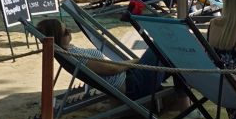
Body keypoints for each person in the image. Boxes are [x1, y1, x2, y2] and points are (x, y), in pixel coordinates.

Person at [36, 18, 165, 101]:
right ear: (57, 38)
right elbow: (112, 69)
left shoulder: (66, 51)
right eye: (65, 32)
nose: (70, 32)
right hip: (134, 86)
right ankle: (183, 99)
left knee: (168, 57)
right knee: (162, 46)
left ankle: (182, 96)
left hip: (131, 79)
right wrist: (137, 62)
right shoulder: (74, 56)